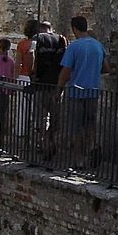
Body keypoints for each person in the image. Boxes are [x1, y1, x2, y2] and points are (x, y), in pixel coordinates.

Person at [57, 15, 109, 169]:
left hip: (76, 92)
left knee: (76, 127)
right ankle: (92, 146)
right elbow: (106, 68)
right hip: (93, 91)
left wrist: (58, 90)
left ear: (74, 29)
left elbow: (65, 71)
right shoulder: (97, 45)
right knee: (90, 124)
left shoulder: (74, 46)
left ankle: (78, 158)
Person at [31, 20, 68, 157]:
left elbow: (31, 55)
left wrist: (33, 74)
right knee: (54, 116)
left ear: (40, 29)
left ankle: (44, 142)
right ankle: (50, 139)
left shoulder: (37, 38)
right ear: (51, 28)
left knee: (40, 116)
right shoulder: (61, 39)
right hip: (57, 84)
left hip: (41, 83)